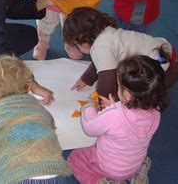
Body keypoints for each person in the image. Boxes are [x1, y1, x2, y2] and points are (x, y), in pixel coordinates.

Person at [0, 55, 73, 183]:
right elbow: (51, 128)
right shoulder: (38, 108)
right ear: (28, 87)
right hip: (55, 173)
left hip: (13, 177)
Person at [67, 55, 168, 183]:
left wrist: (88, 107)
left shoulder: (113, 115)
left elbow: (89, 127)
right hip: (133, 164)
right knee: (134, 154)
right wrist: (114, 106)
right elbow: (130, 118)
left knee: (75, 159)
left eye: (119, 86)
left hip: (108, 167)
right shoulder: (155, 110)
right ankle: (136, 175)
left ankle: (101, 181)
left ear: (126, 95)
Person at [63, 7, 178, 100]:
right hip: (168, 56)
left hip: (163, 75)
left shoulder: (101, 47)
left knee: (128, 97)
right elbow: (99, 61)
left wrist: (101, 101)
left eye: (76, 45)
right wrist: (87, 79)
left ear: (83, 43)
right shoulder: (105, 32)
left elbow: (107, 80)